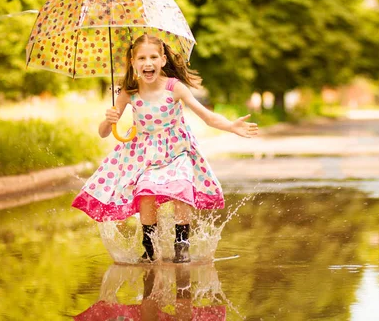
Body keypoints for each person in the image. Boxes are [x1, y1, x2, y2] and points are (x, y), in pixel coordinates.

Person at [71, 34, 258, 263]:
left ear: (162, 60)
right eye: (141, 58)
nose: (147, 63)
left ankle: (182, 245)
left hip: (177, 151)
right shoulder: (129, 91)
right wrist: (108, 119)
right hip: (145, 156)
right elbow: (103, 132)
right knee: (146, 193)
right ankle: (149, 248)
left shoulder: (174, 87)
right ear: (133, 62)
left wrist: (230, 125)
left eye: (153, 57)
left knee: (181, 188)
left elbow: (206, 116)